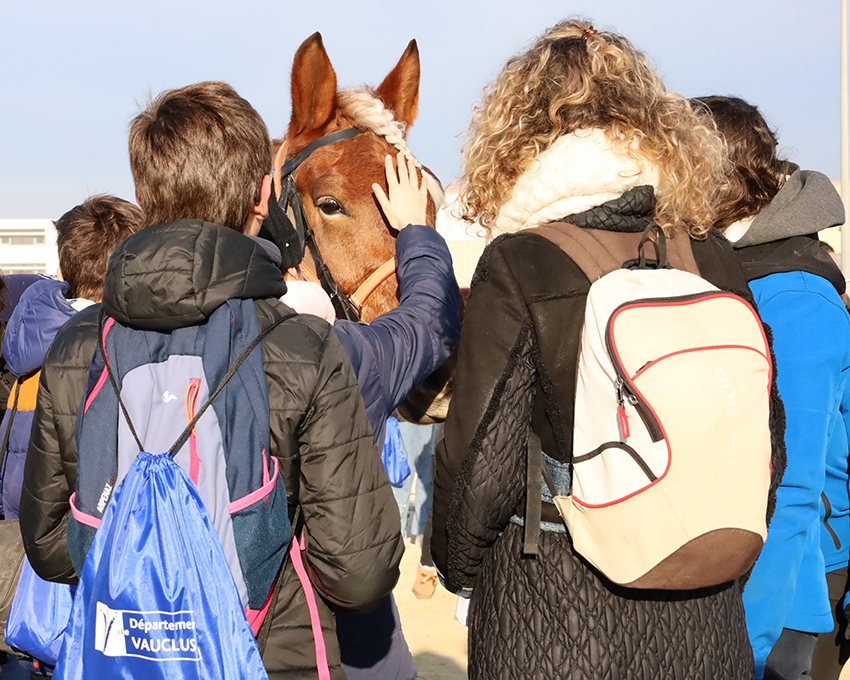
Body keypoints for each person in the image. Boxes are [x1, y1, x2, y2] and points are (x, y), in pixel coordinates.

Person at [431, 20, 784, 679]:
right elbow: (766, 441)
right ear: (648, 123)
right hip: (704, 615)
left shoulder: (521, 263)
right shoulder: (710, 253)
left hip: (555, 615)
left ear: (519, 136)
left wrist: (456, 569)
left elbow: (481, 469)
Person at [19, 81, 404, 680]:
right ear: (263, 195)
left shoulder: (76, 348)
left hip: (123, 656)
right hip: (272, 656)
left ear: (147, 194)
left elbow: (46, 545)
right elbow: (360, 574)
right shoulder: (302, 346)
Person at [275, 152, 461, 679]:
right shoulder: (345, 354)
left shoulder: (104, 340)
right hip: (344, 642)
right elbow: (428, 320)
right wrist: (417, 233)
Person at [693, 95, 850, 680]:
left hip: (778, 604)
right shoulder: (729, 269)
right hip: (738, 581)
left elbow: (793, 490)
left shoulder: (794, 297)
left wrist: (746, 652)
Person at [1, 195, 143, 523]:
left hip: (21, 537)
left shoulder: (30, 350)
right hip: (80, 544)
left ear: (63, 269)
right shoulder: (115, 351)